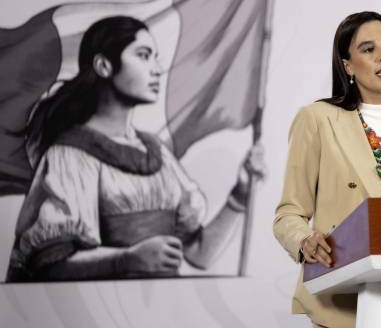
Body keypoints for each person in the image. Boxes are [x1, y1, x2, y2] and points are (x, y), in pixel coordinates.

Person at [6, 15, 258, 281]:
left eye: (155, 57)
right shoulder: (70, 155)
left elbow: (199, 253)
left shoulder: (157, 152)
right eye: (143, 55)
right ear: (104, 66)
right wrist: (126, 259)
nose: (156, 69)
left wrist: (240, 195)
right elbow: (50, 267)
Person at [273, 11, 381, 327]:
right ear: (347, 66)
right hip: (347, 297)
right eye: (368, 49)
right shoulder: (317, 120)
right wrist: (303, 240)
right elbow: (288, 213)